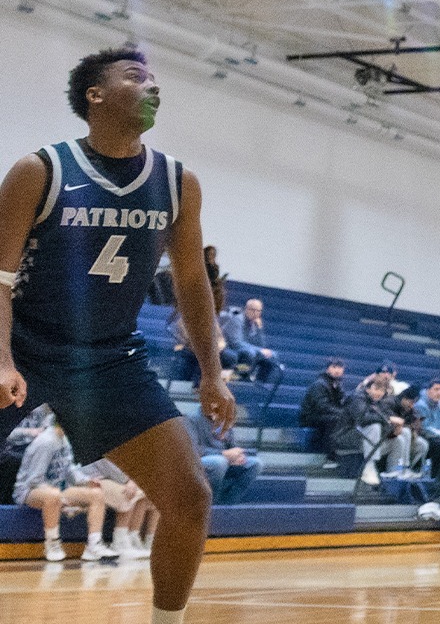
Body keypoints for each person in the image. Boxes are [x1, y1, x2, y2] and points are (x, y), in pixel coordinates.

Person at [0, 45, 236, 623]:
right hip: (23, 343)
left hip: (109, 357)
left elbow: (191, 283)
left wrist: (212, 372)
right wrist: (3, 358)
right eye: (137, 77)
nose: (153, 87)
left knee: (188, 497)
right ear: (95, 95)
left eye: (155, 79)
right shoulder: (40, 170)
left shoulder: (178, 182)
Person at [14, 420, 114, 561]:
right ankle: (52, 543)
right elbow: (34, 481)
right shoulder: (46, 442)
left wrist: (86, 480)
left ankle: (94, 545)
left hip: (57, 490)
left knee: (96, 494)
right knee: (53, 496)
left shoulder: (64, 439)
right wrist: (61, 498)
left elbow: (69, 470)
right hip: (28, 491)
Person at [171, 259, 237, 385]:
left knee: (230, 356)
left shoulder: (210, 317)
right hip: (193, 349)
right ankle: (198, 387)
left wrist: (219, 346)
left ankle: (221, 381)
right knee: (203, 358)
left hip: (210, 349)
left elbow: (220, 337)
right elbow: (188, 338)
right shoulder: (185, 315)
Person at [85, 456, 157, 560]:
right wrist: (133, 480)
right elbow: (116, 473)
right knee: (130, 492)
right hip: (94, 480)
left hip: (113, 478)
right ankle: (120, 541)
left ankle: (139, 538)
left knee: (156, 493)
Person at [186, 411, 260, 505]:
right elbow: (192, 449)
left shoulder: (224, 417)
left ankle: (228, 504)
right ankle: (211, 504)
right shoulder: (191, 419)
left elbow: (232, 446)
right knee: (219, 462)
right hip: (198, 461)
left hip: (224, 460)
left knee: (255, 464)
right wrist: (223, 454)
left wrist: (238, 457)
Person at [219, 297, 278, 382]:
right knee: (250, 353)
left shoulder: (255, 324)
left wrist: (259, 329)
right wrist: (260, 350)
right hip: (229, 347)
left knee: (272, 355)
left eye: (259, 311)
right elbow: (235, 342)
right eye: (253, 310)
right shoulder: (237, 320)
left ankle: (259, 382)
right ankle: (239, 378)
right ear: (246, 309)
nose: (256, 313)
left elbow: (261, 345)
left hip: (246, 348)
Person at [299, 359, 349, 456]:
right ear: (327, 369)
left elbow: (342, 401)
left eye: (340, 368)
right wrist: (342, 413)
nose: (337, 370)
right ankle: (330, 454)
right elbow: (322, 406)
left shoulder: (337, 385)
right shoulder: (320, 384)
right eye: (334, 367)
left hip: (323, 415)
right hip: (311, 416)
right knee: (336, 419)